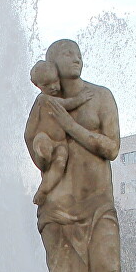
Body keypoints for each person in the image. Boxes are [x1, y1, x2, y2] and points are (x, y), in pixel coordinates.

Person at [24, 39, 136, 272]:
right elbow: (36, 147)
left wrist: (70, 126)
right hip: (58, 209)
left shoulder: (101, 97)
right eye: (65, 54)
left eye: (77, 53)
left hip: (98, 205)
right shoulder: (43, 103)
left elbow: (111, 147)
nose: (74, 58)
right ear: (51, 64)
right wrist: (45, 148)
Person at [28, 59, 90, 206]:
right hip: (45, 138)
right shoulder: (43, 99)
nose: (54, 87)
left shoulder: (52, 97)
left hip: (60, 143)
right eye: (47, 85)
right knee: (42, 145)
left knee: (60, 162)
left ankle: (44, 189)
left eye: (55, 81)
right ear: (37, 86)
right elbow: (67, 104)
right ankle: (43, 157)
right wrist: (80, 99)